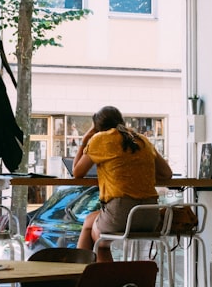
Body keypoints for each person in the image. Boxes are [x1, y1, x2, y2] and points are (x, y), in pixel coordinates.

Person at [73, 106, 173, 262]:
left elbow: (77, 172)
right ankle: (90, 278)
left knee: (99, 240)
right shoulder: (142, 140)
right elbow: (167, 173)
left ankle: (101, 282)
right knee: (88, 221)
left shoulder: (100, 139)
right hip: (150, 215)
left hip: (121, 213)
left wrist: (84, 142)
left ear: (98, 127)